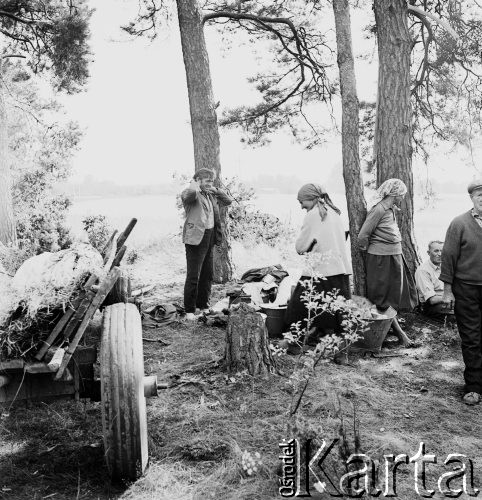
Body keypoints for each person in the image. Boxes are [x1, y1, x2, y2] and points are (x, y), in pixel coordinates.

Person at [285, 183, 352, 345]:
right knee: (338, 313)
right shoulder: (334, 213)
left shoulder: (314, 215)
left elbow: (301, 247)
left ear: (312, 198)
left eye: (302, 202)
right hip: (339, 270)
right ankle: (340, 348)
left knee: (298, 308)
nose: (301, 207)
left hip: (319, 270)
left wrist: (305, 248)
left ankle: (294, 343)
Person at [357, 178, 418, 347]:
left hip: (393, 256)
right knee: (381, 299)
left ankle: (392, 332)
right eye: (402, 195)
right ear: (395, 194)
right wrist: (370, 251)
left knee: (392, 297)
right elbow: (363, 235)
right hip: (380, 259)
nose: (403, 198)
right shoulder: (379, 209)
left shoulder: (390, 210)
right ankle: (399, 335)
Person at [440, 177, 482, 405]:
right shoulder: (460, 223)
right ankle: (474, 386)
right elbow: (448, 258)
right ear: (472, 198)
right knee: (472, 338)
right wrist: (448, 291)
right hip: (465, 289)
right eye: (479, 195)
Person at [181, 168, 232, 320]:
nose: (210, 183)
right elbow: (189, 196)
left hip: (209, 236)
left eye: (212, 181)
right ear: (198, 181)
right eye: (207, 181)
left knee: (207, 274)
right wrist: (194, 186)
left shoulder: (211, 194)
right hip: (195, 238)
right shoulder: (190, 193)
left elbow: (228, 201)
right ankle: (189, 311)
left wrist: (215, 189)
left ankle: (203, 306)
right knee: (193, 275)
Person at [415, 241, 454, 318]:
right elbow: (432, 300)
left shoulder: (446, 266)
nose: (440, 254)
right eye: (436, 251)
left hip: (448, 300)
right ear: (428, 253)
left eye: (442, 251)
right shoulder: (423, 271)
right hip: (432, 305)